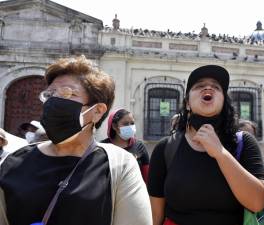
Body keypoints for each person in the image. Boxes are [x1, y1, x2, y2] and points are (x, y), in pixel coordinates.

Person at [0, 56, 152, 225]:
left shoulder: (119, 166)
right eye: (49, 94)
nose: (53, 101)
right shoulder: (11, 162)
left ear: (97, 111)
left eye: (67, 93)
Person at [148, 65, 264, 225]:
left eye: (216, 87)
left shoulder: (244, 142)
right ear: (187, 103)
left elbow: (257, 202)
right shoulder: (166, 148)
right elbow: (155, 215)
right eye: (199, 85)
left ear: (224, 100)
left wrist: (220, 153)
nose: (208, 87)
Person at [102, 108, 150, 183]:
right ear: (114, 126)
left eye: (132, 123)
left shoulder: (139, 146)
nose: (130, 126)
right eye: (125, 124)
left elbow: (146, 176)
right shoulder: (103, 147)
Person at [238, 119, 264, 192]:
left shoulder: (262, 161)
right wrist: (262, 180)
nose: (248, 139)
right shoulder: (232, 159)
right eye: (244, 135)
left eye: (251, 136)